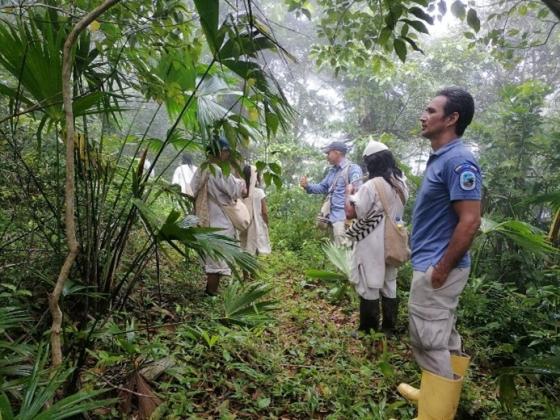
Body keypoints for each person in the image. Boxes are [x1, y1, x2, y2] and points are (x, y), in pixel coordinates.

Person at [397, 87, 482, 420]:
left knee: (427, 338)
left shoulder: (459, 160)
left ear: (452, 118)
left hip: (439, 266)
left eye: (430, 111)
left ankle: (435, 414)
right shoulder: (443, 157)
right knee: (442, 334)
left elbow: (471, 220)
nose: (423, 115)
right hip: (435, 262)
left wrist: (442, 268)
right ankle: (437, 395)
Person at [344, 141, 408, 335]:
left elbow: (351, 213)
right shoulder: (401, 182)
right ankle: (389, 327)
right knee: (390, 282)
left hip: (372, 240)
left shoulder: (371, 185)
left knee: (369, 281)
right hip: (394, 237)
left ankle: (368, 328)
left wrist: (349, 194)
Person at [191, 138, 246, 295]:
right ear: (220, 152)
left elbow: (192, 189)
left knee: (211, 260)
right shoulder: (220, 170)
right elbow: (235, 191)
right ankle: (211, 294)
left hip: (204, 220)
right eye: (226, 151)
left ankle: (210, 291)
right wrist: (241, 182)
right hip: (220, 222)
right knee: (216, 262)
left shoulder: (201, 169)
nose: (227, 154)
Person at [299, 141, 363, 246]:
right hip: (333, 219)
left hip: (344, 220)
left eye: (328, 153)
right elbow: (323, 187)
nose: (327, 156)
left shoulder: (353, 169)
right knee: (337, 254)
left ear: (337, 152)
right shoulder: (332, 171)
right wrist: (307, 186)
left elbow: (357, 191)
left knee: (344, 255)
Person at [240, 165, 271, 258]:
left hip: (241, 223)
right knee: (254, 248)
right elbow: (264, 212)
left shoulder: (240, 191)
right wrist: (266, 224)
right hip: (255, 225)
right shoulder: (259, 192)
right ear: (255, 177)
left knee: (242, 247)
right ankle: (252, 271)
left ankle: (245, 272)